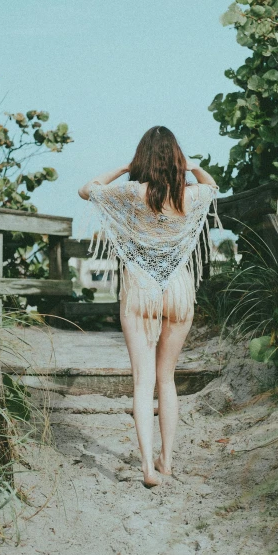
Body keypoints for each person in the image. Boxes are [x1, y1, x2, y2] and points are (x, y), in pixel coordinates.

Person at [78, 126, 220, 487]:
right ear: (176, 159)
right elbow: (213, 185)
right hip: (178, 289)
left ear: (142, 158)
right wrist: (190, 167)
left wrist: (126, 168)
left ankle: (147, 468)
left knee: (143, 383)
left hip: (140, 288)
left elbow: (86, 190)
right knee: (166, 380)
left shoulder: (130, 193)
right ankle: (168, 461)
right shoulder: (192, 196)